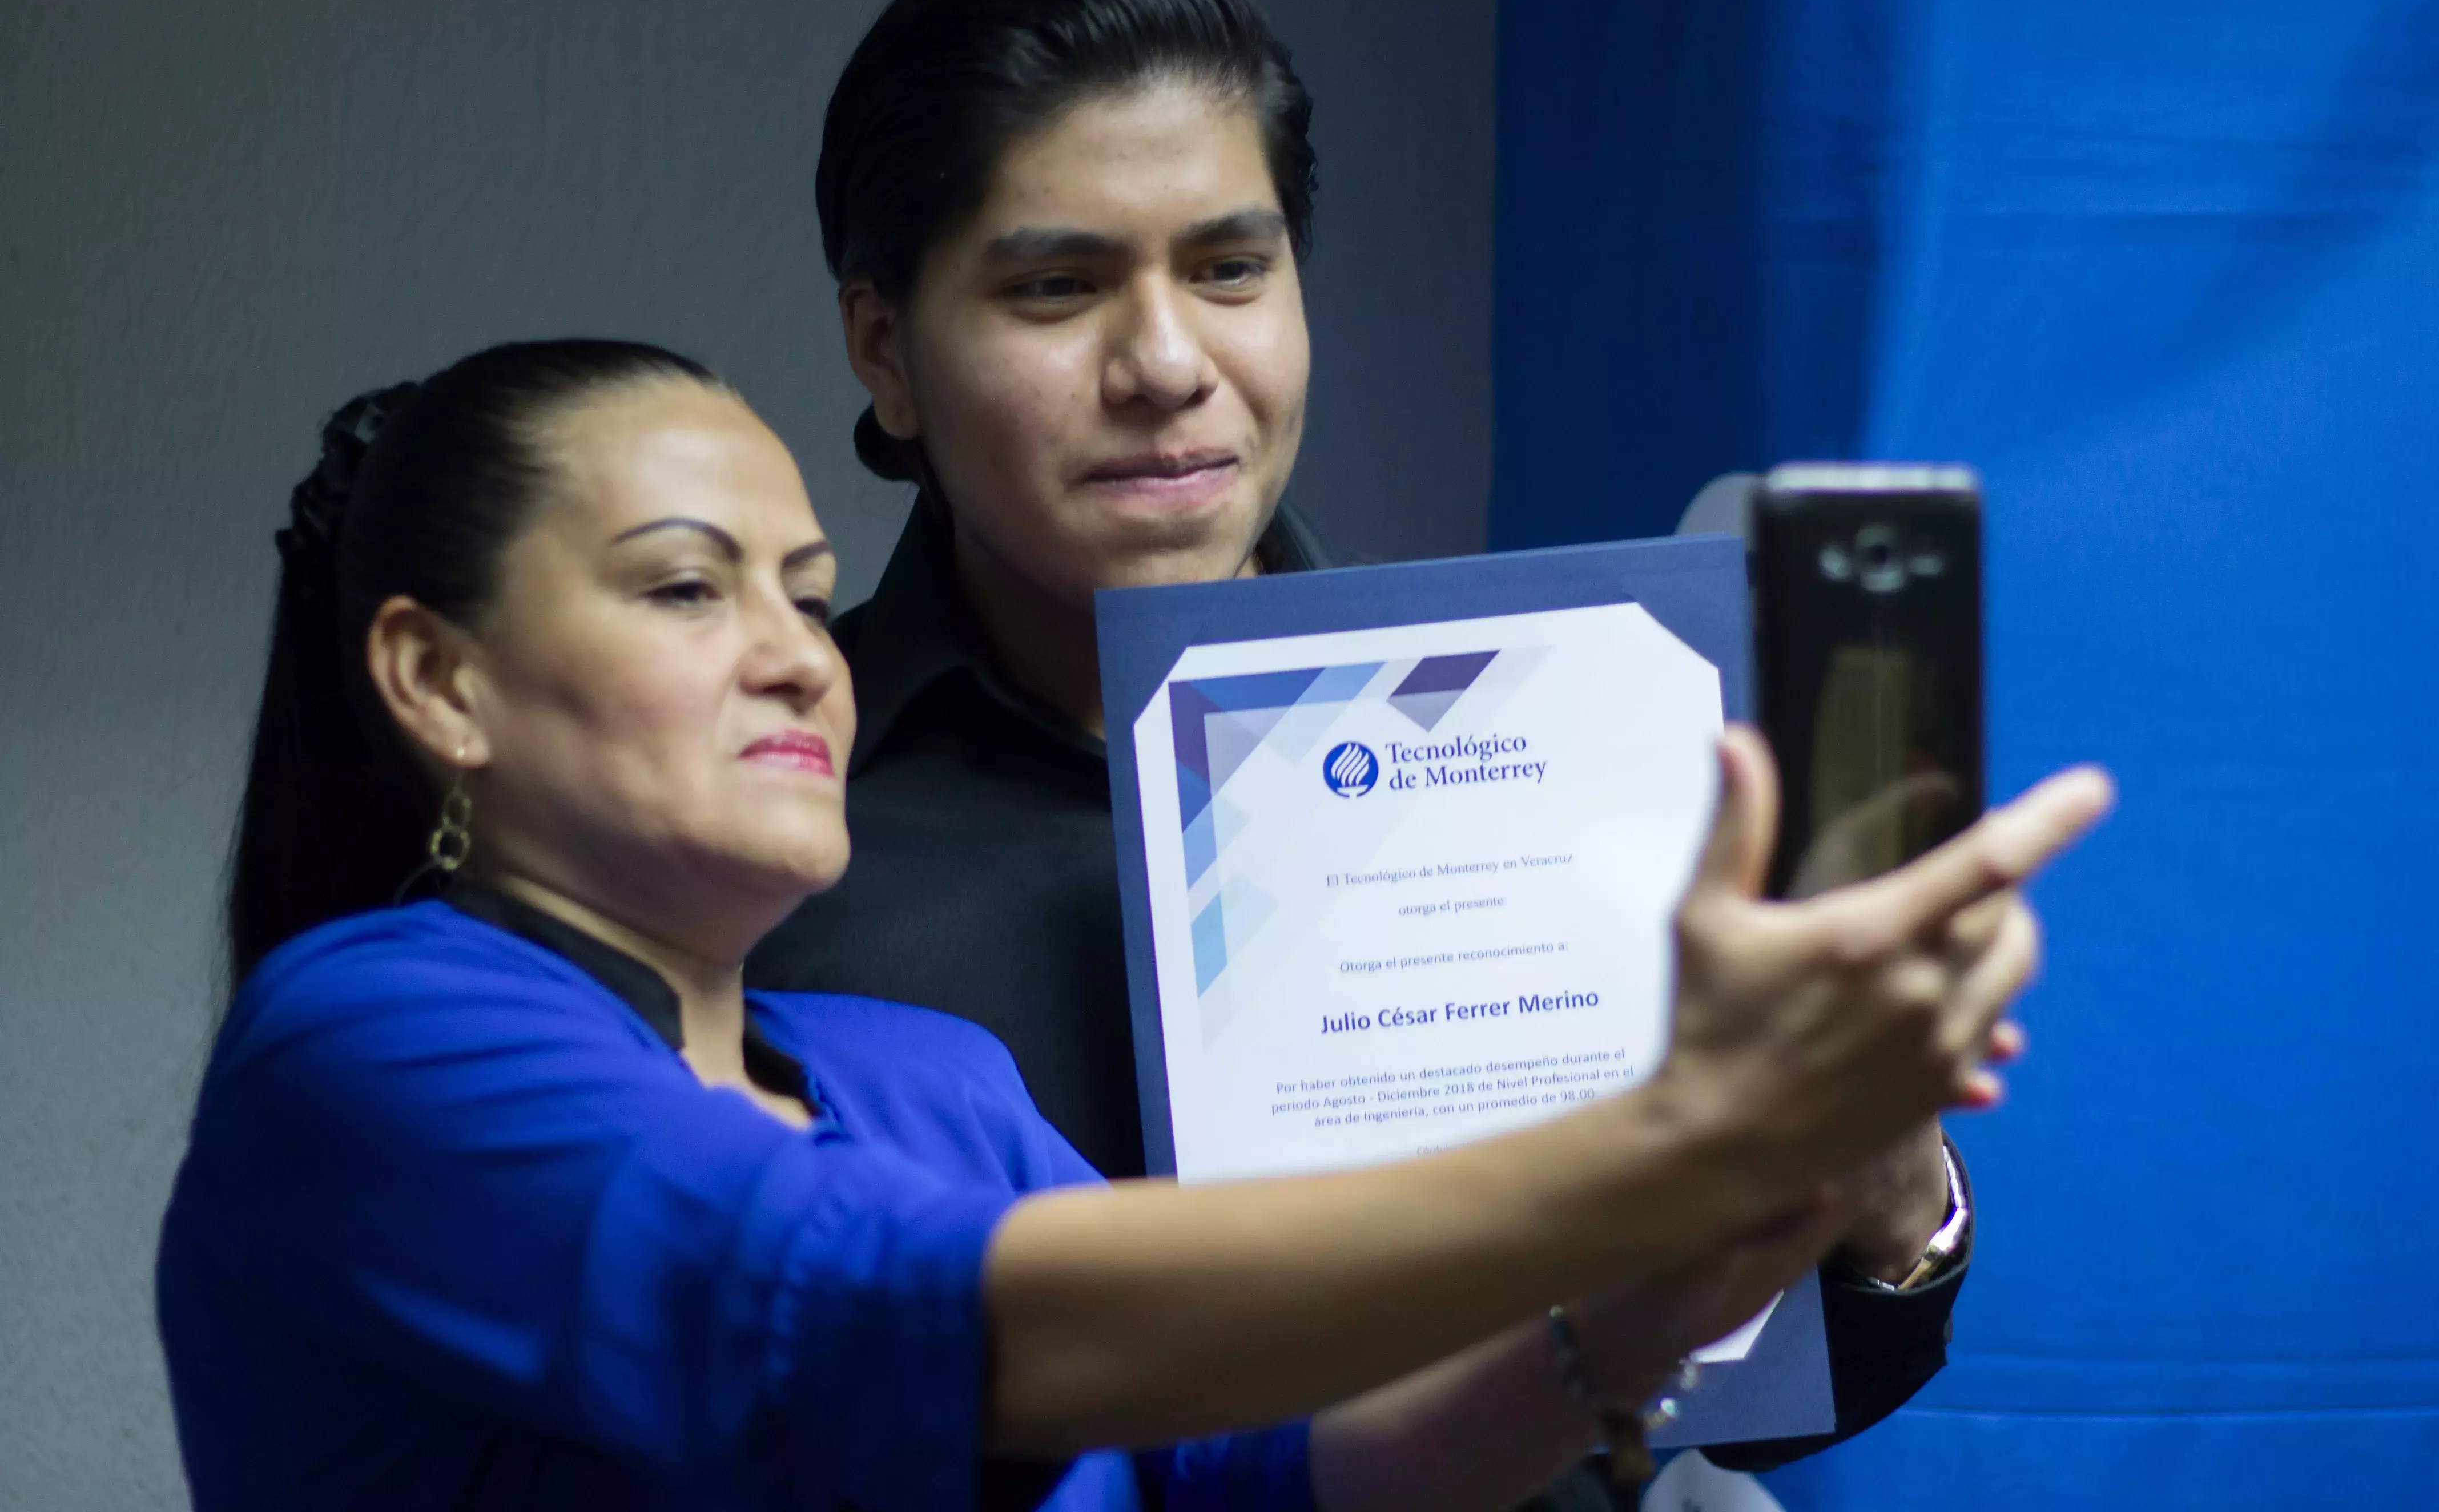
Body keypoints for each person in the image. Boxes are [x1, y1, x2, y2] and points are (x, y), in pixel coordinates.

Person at [156, 337, 2106, 1510]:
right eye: (687, 591)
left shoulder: (927, 1079)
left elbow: (1263, 1476)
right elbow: (896, 1321)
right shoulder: (372, 1041)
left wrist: (1709, 1253)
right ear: (439, 681)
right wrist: (1681, 1135)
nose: (795, 654)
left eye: (808, 588)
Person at [747, 0, 1975, 1475]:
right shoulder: (765, 823)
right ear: (887, 351)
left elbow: (1778, 1389)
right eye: (1059, 288)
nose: (1167, 362)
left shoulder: (1563, 725)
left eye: (1229, 269)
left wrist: (1885, 1192)